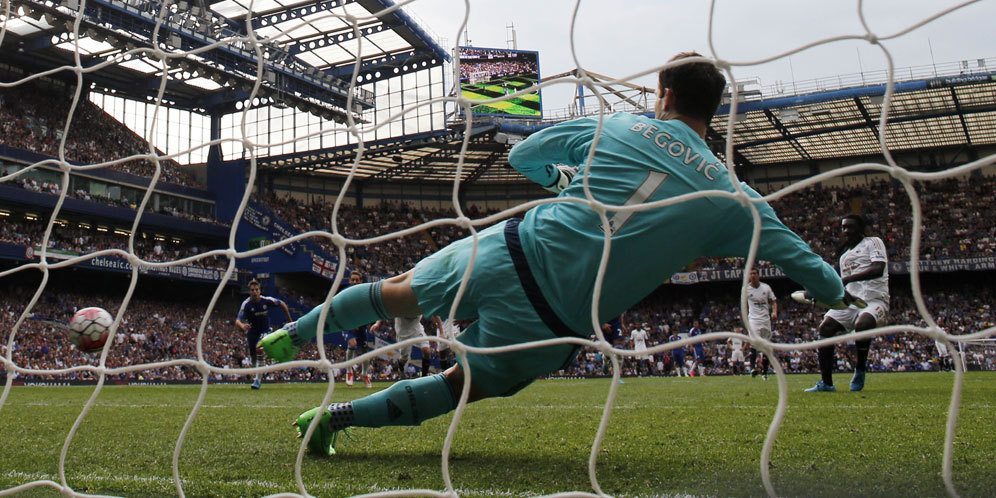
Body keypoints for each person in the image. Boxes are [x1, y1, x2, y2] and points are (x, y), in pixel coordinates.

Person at [260, 51, 846, 455]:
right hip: (554, 320)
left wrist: (567, 181)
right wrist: (822, 291)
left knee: (398, 293)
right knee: (465, 384)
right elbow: (821, 280)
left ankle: (289, 336)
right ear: (714, 110)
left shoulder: (621, 125)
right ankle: (334, 420)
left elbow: (524, 157)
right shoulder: (738, 199)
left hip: (510, 249)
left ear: (663, 94)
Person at [805, 214, 889, 393]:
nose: (846, 231)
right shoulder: (844, 257)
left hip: (875, 301)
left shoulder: (873, 242)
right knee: (825, 328)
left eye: (850, 227)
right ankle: (826, 383)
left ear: (860, 228)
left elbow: (878, 269)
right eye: (843, 227)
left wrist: (847, 279)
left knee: (863, 324)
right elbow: (842, 286)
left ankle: (860, 369)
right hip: (852, 302)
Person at [235, 279, 291, 389]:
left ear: (260, 291)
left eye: (256, 290)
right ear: (249, 292)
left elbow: (282, 304)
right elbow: (237, 320)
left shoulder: (266, 301)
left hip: (265, 331)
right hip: (252, 332)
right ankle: (259, 371)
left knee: (259, 349)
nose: (254, 292)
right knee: (254, 357)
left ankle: (257, 380)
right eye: (252, 290)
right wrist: (242, 326)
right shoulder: (246, 304)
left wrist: (289, 320)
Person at [746, 268, 777, 380]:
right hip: (753, 320)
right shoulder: (746, 289)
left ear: (758, 275)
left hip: (765, 320)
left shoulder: (766, 288)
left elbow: (773, 301)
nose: (753, 275)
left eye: (755, 273)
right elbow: (743, 303)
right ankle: (753, 368)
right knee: (754, 343)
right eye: (751, 274)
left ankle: (765, 373)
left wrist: (774, 312)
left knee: (766, 346)